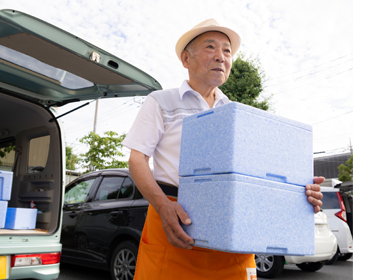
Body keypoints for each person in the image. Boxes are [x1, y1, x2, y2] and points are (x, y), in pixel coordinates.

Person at [122, 18, 324, 280]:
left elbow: (262, 176)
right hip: (175, 218)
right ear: (186, 58)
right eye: (210, 47)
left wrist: (299, 193)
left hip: (234, 225)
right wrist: (163, 207)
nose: (221, 56)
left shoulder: (237, 113)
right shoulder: (161, 101)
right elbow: (137, 159)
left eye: (227, 51)